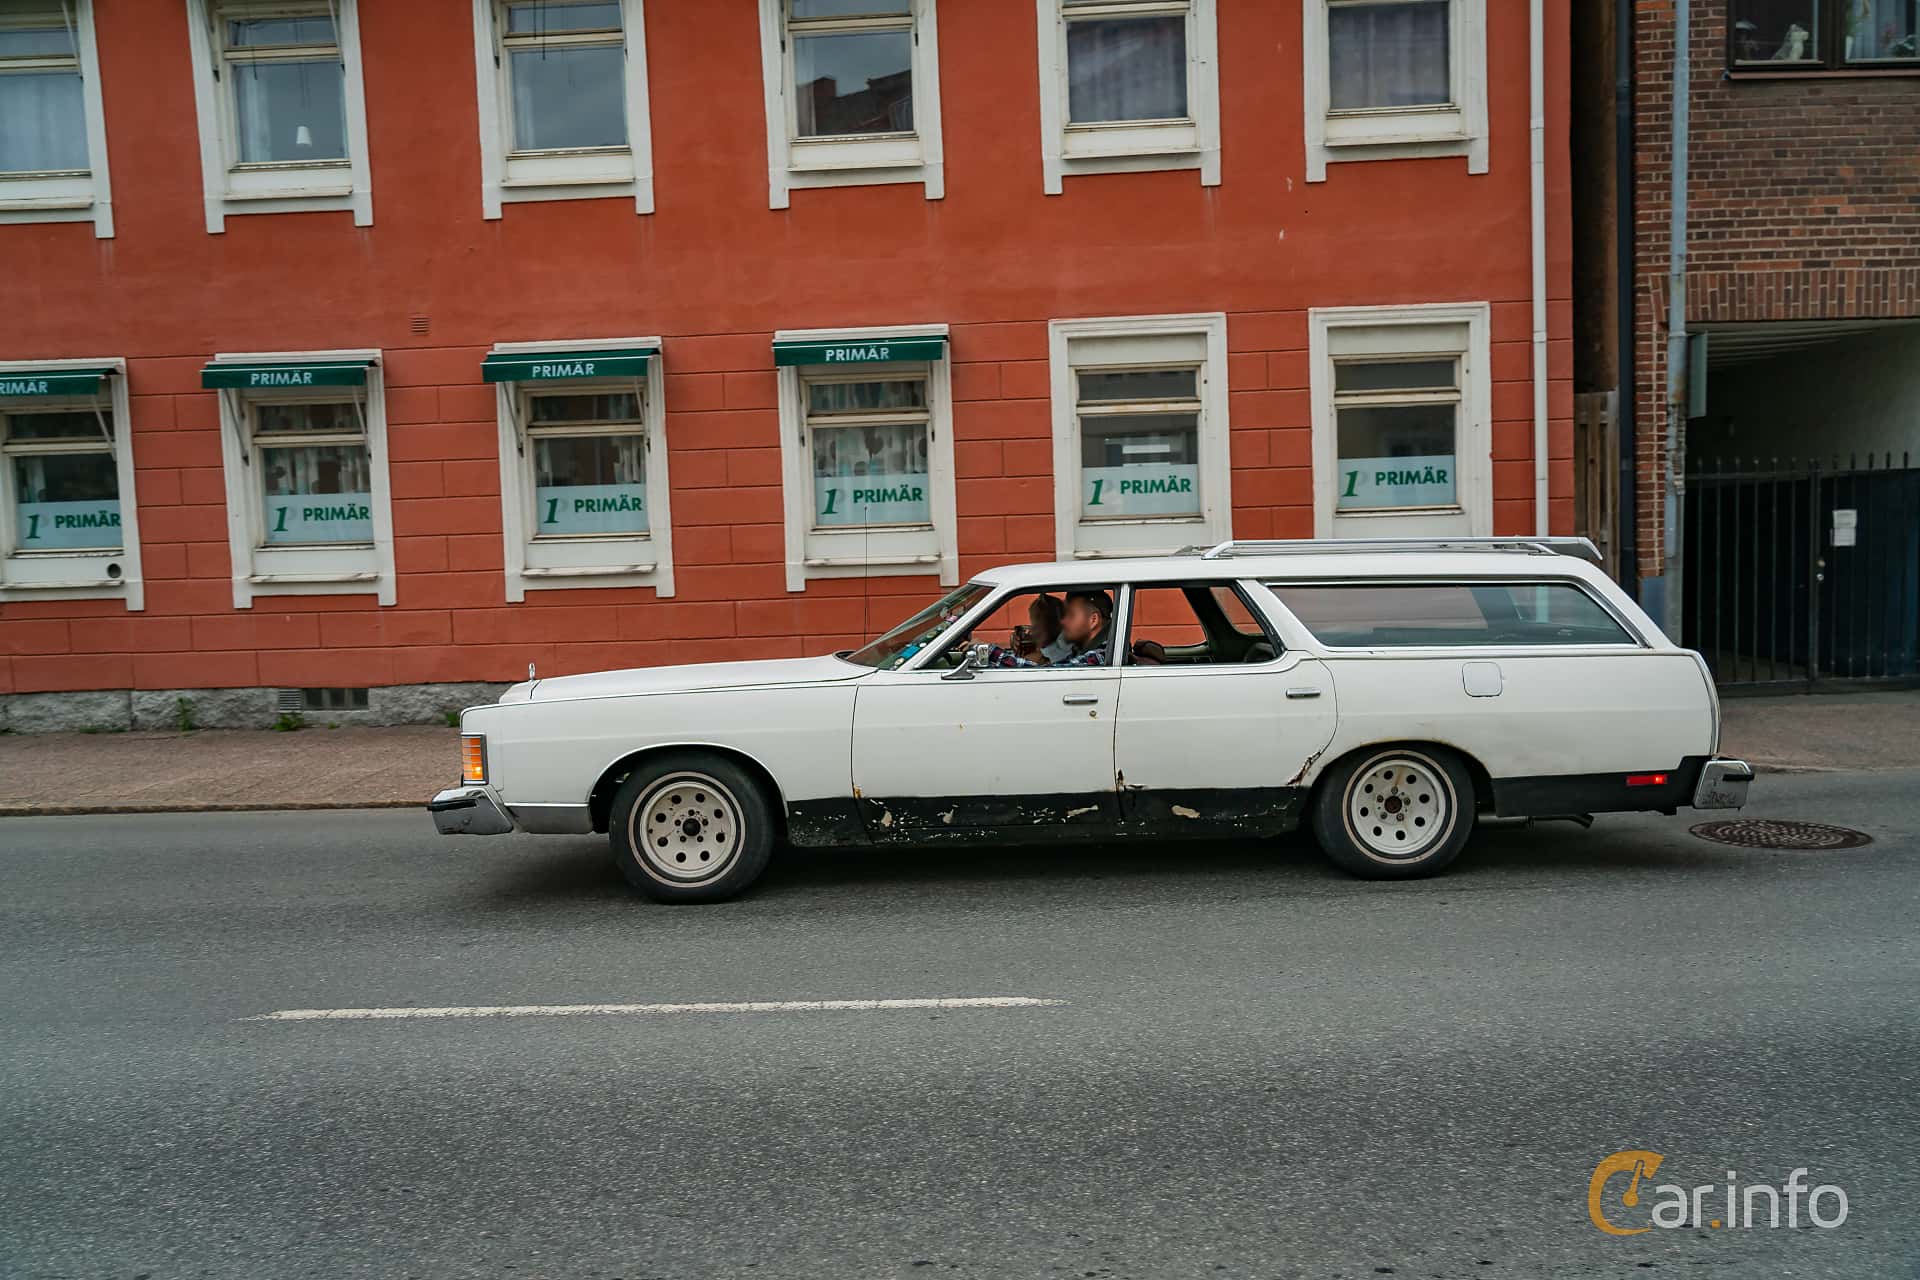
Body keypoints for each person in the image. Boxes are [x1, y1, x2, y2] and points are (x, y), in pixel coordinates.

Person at [984, 589, 1113, 668]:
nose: (1063, 621)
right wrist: (1041, 658)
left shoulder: (1102, 655)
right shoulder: (1080, 649)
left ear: (1093, 620)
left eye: (1071, 615)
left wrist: (988, 652)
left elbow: (1053, 674)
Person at [1011, 594, 1074, 664]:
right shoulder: (1044, 647)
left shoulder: (1064, 647)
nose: (1031, 630)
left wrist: (1036, 658)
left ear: (1056, 624)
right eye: (1032, 623)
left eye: (1037, 623)